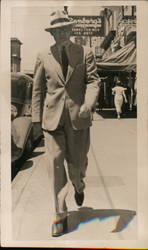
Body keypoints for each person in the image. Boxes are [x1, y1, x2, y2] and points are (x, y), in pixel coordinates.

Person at [31, 10, 100, 237]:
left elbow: (92, 81)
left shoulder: (85, 52)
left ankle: (79, 185)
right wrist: (35, 120)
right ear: (51, 33)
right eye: (56, 30)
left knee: (76, 165)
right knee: (56, 166)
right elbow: (38, 89)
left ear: (70, 30)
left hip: (78, 119)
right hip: (52, 122)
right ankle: (60, 214)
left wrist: (88, 104)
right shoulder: (43, 55)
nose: (60, 33)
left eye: (64, 29)